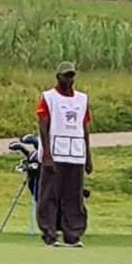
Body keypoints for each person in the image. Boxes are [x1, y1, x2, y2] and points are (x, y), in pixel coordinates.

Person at [36, 62, 93, 247]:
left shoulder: (82, 99)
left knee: (74, 197)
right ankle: (49, 234)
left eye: (71, 76)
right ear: (58, 77)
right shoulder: (48, 97)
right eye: (65, 76)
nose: (68, 79)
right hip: (55, 154)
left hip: (76, 155)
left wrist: (88, 157)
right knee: (49, 196)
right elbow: (43, 126)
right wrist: (47, 155)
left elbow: (84, 128)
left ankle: (73, 235)